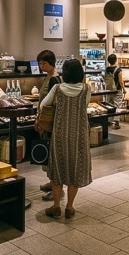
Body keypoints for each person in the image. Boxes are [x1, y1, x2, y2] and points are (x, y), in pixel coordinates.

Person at [40, 59, 92, 219]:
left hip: (60, 134)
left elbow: (43, 105)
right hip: (79, 135)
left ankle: (56, 206)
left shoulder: (57, 88)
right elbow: (86, 104)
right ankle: (69, 207)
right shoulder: (86, 89)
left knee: (58, 168)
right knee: (75, 168)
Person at [34, 50, 63, 201]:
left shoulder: (54, 80)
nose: (41, 66)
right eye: (40, 63)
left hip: (50, 122)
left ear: (52, 63)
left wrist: (41, 120)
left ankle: (57, 187)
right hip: (45, 119)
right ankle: (52, 183)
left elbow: (53, 104)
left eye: (44, 63)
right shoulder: (48, 77)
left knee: (52, 153)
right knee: (48, 151)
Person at [105, 54, 126, 129]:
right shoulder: (118, 69)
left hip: (108, 90)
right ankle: (116, 122)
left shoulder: (107, 69)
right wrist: (124, 89)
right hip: (117, 90)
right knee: (117, 106)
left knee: (108, 105)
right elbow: (120, 81)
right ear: (116, 60)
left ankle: (108, 121)